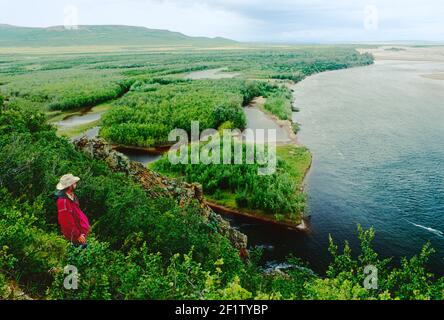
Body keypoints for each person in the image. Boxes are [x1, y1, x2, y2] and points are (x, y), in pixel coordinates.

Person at [55, 174, 90, 248]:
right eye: (74, 183)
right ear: (70, 185)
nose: (75, 184)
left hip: (81, 236)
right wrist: (77, 235)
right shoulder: (63, 202)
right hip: (75, 239)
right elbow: (67, 222)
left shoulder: (72, 196)